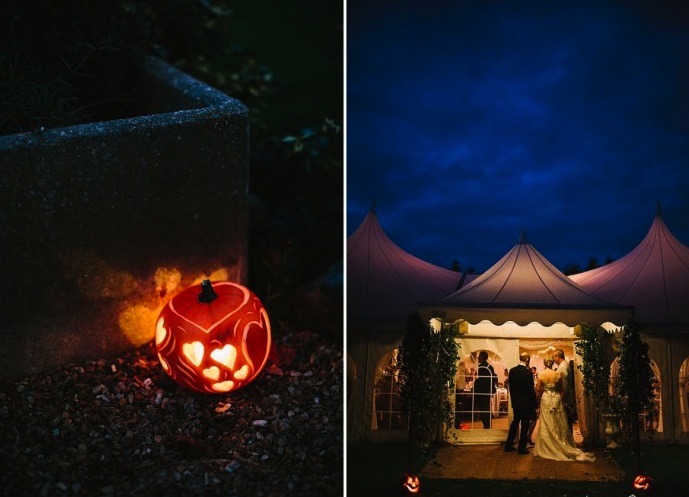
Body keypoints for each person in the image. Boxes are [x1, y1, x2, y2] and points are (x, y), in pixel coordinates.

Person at [533, 358, 596, 462]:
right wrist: (565, 402)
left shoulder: (541, 375)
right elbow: (561, 390)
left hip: (546, 399)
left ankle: (548, 446)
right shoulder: (557, 374)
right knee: (558, 422)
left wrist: (537, 401)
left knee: (547, 422)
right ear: (552, 363)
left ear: (544, 363)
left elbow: (538, 389)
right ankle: (560, 442)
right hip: (557, 399)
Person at [504, 352, 538, 454]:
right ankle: (521, 448)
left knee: (515, 423)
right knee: (525, 425)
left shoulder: (512, 371)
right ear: (527, 360)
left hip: (516, 402)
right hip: (526, 403)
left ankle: (508, 445)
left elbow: (511, 388)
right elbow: (530, 391)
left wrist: (514, 400)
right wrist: (534, 404)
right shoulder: (528, 373)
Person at [473, 351, 497, 428]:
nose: (477, 357)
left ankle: (487, 426)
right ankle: (487, 425)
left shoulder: (481, 368)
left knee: (483, 410)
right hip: (487, 391)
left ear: (482, 357)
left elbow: (480, 381)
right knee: (486, 409)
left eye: (479, 356)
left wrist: (474, 388)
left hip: (482, 392)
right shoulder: (490, 367)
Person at [553, 349, 575, 432]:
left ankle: (568, 440)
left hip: (566, 397)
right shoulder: (564, 364)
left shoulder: (563, 367)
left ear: (557, 356)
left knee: (566, 420)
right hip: (567, 396)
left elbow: (564, 383)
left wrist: (563, 397)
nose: (553, 359)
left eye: (553, 356)